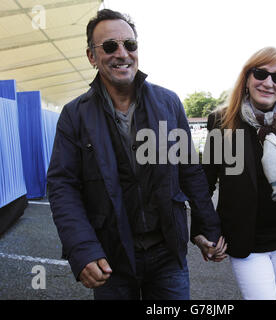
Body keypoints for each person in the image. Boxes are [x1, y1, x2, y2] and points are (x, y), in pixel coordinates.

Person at [47, 9, 226, 300]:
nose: (122, 53)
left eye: (130, 45)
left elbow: (189, 171)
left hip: (168, 255)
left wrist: (206, 227)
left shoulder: (168, 103)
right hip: (110, 258)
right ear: (92, 56)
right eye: (109, 46)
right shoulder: (74, 115)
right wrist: (82, 249)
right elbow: (63, 186)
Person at [202, 47, 276, 300]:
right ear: (247, 78)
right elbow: (206, 182)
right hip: (248, 243)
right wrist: (206, 231)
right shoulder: (222, 122)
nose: (269, 83)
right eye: (261, 73)